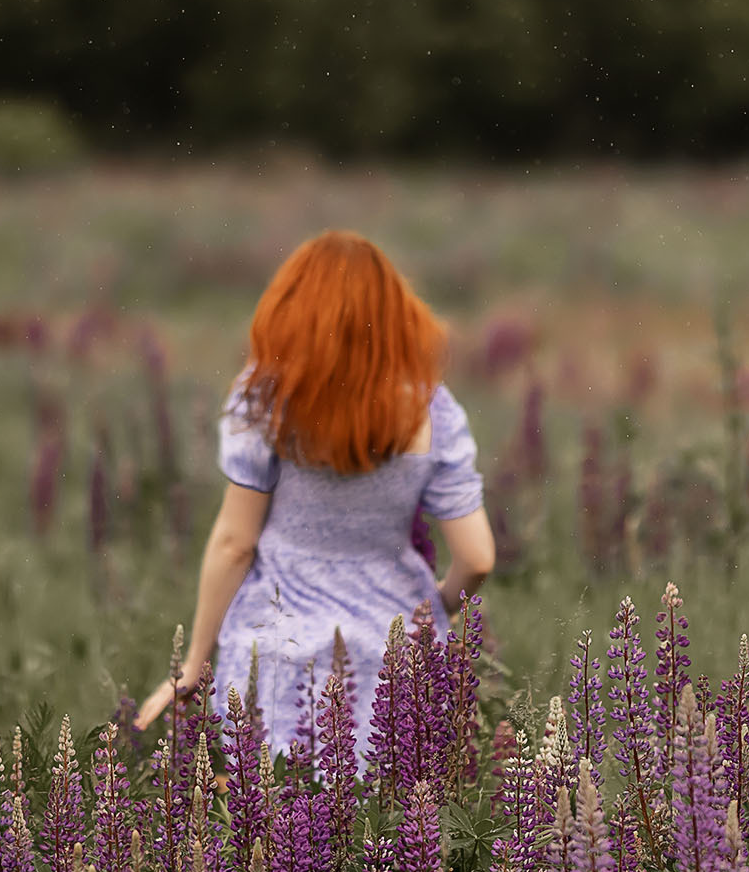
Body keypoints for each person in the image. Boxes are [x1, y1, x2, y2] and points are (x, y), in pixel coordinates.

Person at [133, 230, 496, 755]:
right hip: (394, 655)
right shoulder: (433, 410)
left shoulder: (266, 398)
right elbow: (477, 556)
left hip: (277, 642)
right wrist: (433, 611)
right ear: (395, 316)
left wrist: (194, 665)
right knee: (393, 821)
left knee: (263, 816)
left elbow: (235, 542)